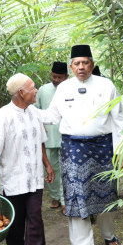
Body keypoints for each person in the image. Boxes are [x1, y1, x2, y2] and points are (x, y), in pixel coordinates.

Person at [38, 45, 123, 245]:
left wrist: (121, 151)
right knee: (77, 198)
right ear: (71, 66)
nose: (81, 67)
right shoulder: (64, 88)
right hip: (74, 148)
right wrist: (26, 109)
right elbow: (51, 116)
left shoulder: (106, 85)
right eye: (77, 63)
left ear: (92, 64)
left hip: (103, 147)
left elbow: (118, 120)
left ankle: (109, 235)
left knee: (105, 192)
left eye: (85, 62)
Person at [0, 73, 55, 245]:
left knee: (35, 218)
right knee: (15, 220)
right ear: (21, 92)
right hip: (13, 178)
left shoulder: (34, 112)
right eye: (33, 88)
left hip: (34, 177)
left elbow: (39, 140)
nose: (36, 91)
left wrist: (47, 165)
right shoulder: (3, 116)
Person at [35, 62, 69, 214]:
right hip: (47, 137)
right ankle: (55, 196)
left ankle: (64, 200)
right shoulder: (43, 90)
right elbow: (36, 110)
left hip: (66, 136)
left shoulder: (71, 89)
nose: (56, 80)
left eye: (59, 77)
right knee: (50, 168)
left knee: (65, 169)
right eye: (54, 76)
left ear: (66, 77)